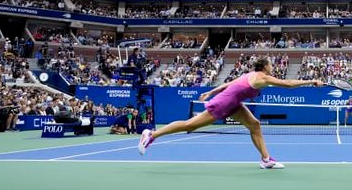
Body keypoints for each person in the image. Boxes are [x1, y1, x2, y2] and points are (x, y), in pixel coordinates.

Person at [138, 57, 323, 169]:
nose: (272, 67)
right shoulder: (262, 78)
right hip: (224, 103)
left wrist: (211, 91)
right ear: (265, 67)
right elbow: (288, 85)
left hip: (233, 102)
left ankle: (266, 159)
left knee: (254, 125)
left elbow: (229, 84)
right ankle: (151, 135)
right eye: (270, 65)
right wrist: (311, 81)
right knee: (190, 125)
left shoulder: (249, 75)